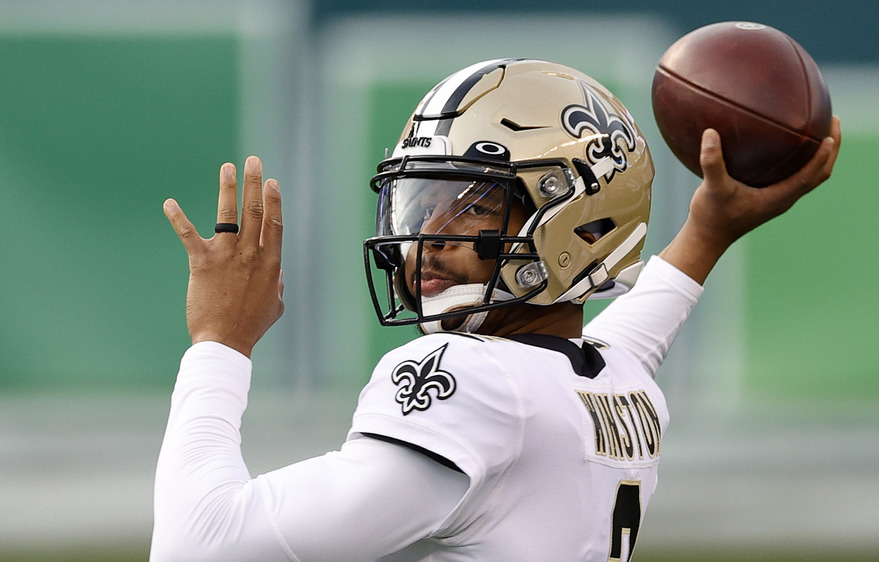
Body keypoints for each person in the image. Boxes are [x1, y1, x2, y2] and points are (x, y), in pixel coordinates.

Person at [151, 58, 840, 561]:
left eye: (470, 207)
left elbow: (202, 546)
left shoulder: (472, 380)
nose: (425, 241)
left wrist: (220, 342)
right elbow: (628, 340)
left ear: (577, 222)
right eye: (419, 206)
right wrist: (708, 233)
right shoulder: (620, 388)